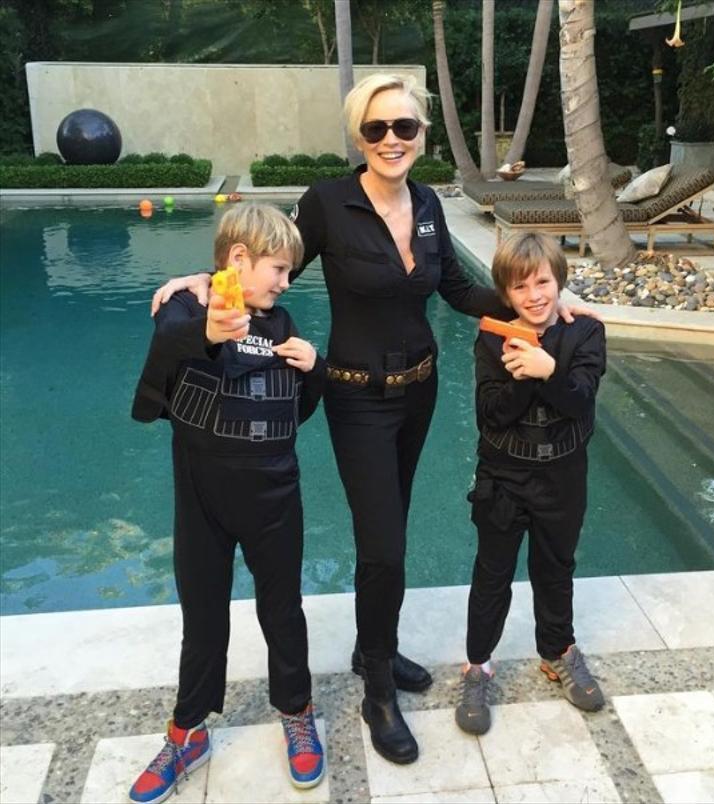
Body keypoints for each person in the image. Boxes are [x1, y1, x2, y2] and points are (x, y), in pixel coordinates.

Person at [151, 73, 592, 765]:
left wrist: (537, 301)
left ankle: (371, 646)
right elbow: (270, 259)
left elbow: (459, 289)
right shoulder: (328, 203)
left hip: (418, 393)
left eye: (404, 127)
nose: (391, 139)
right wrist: (208, 280)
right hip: (356, 397)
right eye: (376, 128)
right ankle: (378, 688)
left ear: (421, 135)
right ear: (359, 136)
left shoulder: (428, 204)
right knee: (382, 547)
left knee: (395, 535)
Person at [129, 204, 327, 803]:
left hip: (275, 495)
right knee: (203, 618)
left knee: (282, 611)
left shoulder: (281, 321)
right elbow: (166, 349)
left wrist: (315, 371)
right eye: (279, 268)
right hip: (202, 500)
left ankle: (296, 711)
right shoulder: (186, 309)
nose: (286, 282)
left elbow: (295, 410)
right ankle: (187, 733)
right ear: (239, 258)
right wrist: (210, 329)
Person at [454, 232, 606, 737]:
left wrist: (548, 370)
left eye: (542, 282)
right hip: (504, 477)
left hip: (563, 476)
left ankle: (558, 649)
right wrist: (521, 375)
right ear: (505, 293)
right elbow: (490, 415)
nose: (534, 295)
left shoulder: (586, 332)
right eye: (520, 287)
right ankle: (478, 665)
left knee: (556, 565)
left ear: (559, 282)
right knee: (492, 572)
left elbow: (580, 400)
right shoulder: (492, 338)